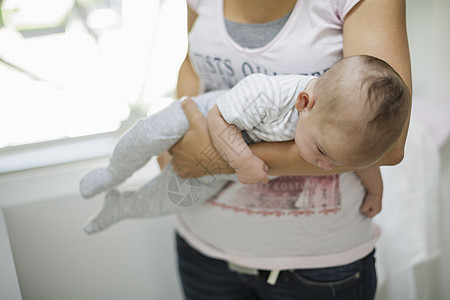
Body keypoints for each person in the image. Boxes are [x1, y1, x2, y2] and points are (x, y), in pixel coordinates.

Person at [160, 0, 412, 299]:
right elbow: (190, 62)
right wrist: (179, 135)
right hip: (203, 248)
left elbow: (389, 146)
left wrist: (209, 159)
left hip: (318, 268)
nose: (325, 164)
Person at [79, 55, 409, 234]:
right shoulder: (268, 93)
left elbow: (363, 161)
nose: (324, 167)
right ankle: (113, 172)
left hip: (214, 172)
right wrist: (243, 162)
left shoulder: (336, 129)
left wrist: (375, 191)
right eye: (323, 154)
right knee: (148, 133)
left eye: (335, 162)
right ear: (304, 102)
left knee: (172, 200)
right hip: (201, 118)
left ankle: (122, 206)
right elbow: (220, 118)